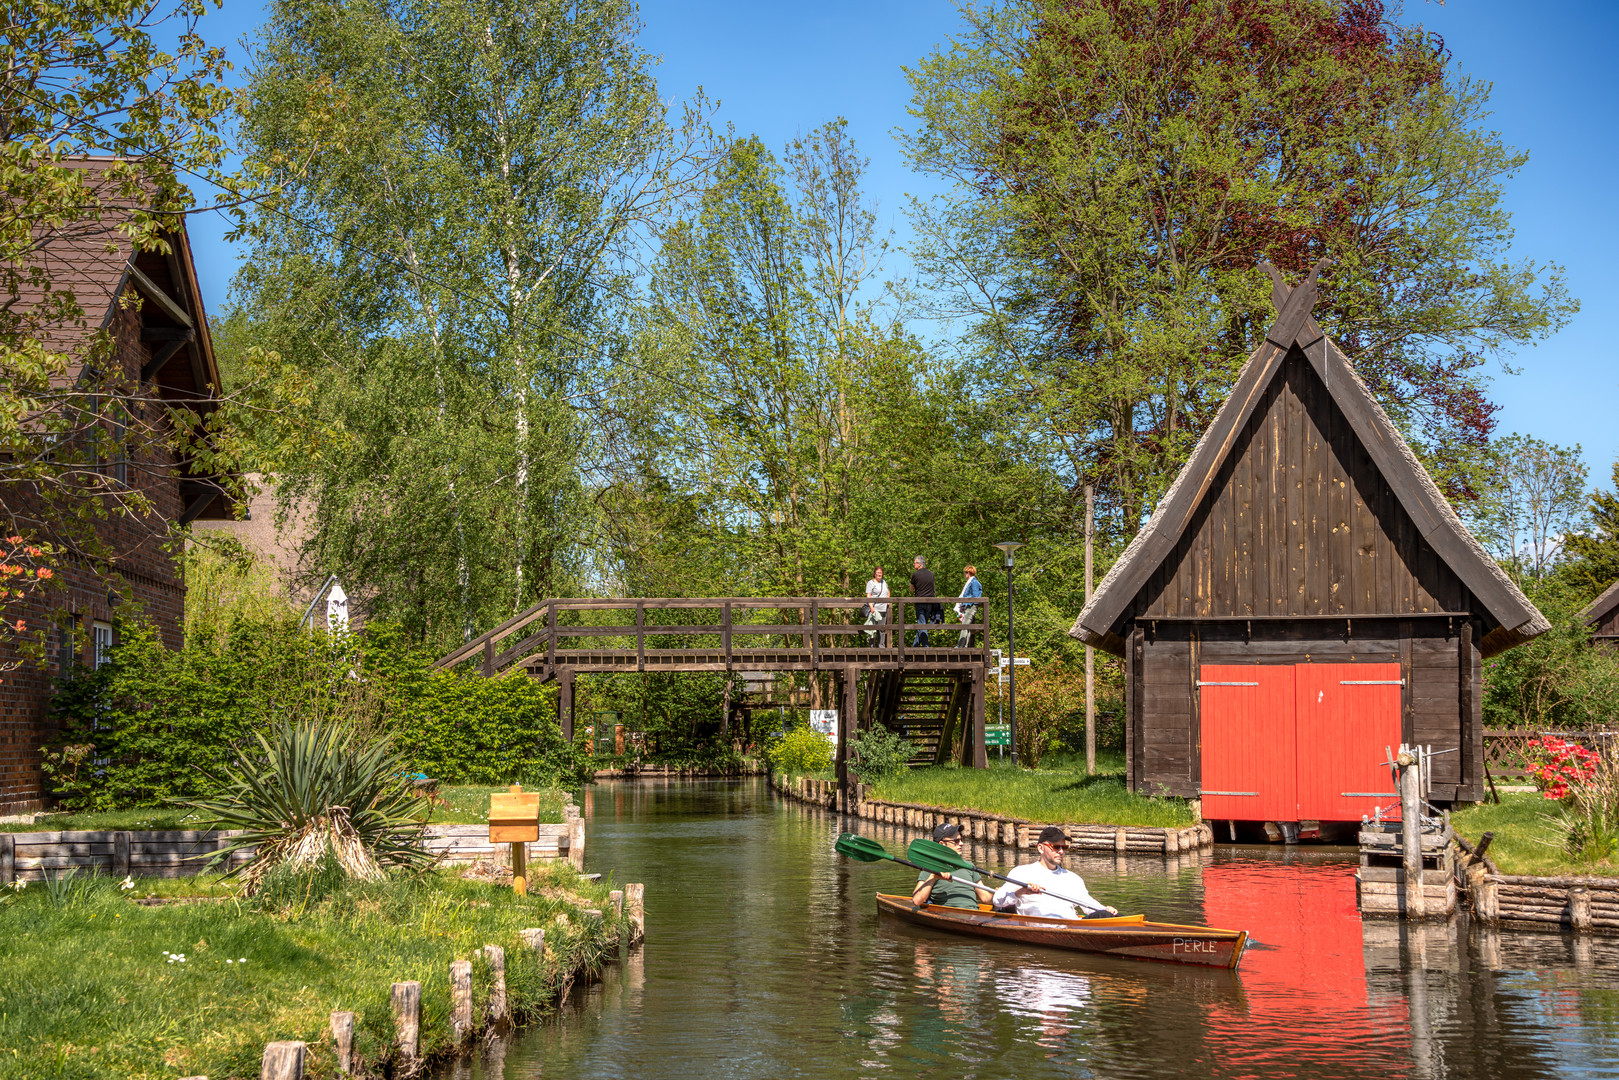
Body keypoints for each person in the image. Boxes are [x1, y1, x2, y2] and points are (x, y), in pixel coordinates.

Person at [992, 826, 1118, 919]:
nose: (1061, 851)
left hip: (1072, 926)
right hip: (1043, 927)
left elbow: (1088, 904)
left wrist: (1105, 909)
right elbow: (998, 900)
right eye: (1056, 847)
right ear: (1041, 848)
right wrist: (1022, 891)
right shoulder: (1021, 872)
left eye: (1064, 847)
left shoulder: (1073, 878)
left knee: (1109, 914)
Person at [912, 823, 994, 909]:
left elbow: (985, 897)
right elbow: (917, 901)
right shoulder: (931, 867)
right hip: (950, 915)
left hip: (974, 915)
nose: (961, 843)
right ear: (942, 844)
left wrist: (1000, 895)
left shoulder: (969, 865)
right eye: (956, 841)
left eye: (961, 840)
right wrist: (934, 876)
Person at [910, 555, 941, 647]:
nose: (913, 564)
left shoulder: (915, 575)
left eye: (914, 563)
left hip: (920, 602)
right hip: (930, 602)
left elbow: (911, 589)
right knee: (923, 624)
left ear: (919, 564)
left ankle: (925, 647)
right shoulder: (931, 574)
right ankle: (914, 646)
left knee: (921, 625)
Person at [954, 565, 982, 648]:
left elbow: (975, 596)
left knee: (965, 625)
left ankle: (960, 645)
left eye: (966, 572)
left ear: (969, 573)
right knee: (967, 626)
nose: (965, 574)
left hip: (971, 606)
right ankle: (964, 645)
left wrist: (966, 602)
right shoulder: (970, 582)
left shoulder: (974, 582)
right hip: (968, 606)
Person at [863, 566, 890, 646]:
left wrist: (888, 600)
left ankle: (881, 646)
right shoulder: (871, 583)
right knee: (872, 628)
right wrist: (871, 607)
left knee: (882, 628)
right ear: (874, 574)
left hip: (883, 608)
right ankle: (872, 647)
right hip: (875, 608)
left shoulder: (884, 582)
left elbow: (888, 591)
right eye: (878, 572)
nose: (879, 574)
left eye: (881, 573)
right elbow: (868, 595)